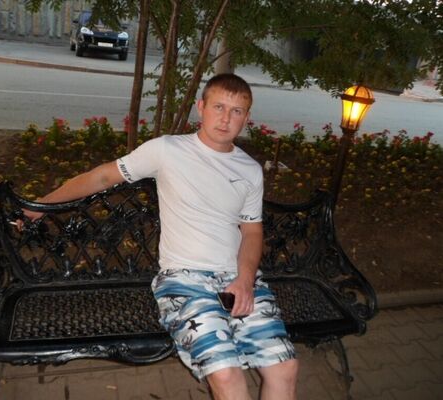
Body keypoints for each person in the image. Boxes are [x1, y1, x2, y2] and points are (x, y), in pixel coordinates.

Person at [23, 73, 298, 400]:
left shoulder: (249, 169)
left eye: (236, 111)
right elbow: (102, 177)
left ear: (246, 117)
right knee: (226, 373)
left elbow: (252, 231)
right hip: (185, 281)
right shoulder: (168, 150)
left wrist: (245, 279)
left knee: (285, 368)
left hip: (238, 279)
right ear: (201, 107)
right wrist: (41, 206)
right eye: (219, 107)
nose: (226, 118)